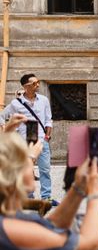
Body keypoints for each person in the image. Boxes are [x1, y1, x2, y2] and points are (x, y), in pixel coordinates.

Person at [1, 73, 55, 203]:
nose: (38, 85)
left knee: (45, 169)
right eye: (34, 83)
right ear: (25, 86)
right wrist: (7, 129)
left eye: (38, 82)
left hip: (42, 139)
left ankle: (46, 197)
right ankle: (28, 198)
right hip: (24, 139)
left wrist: (47, 136)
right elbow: (2, 116)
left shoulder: (43, 100)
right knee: (26, 169)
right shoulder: (16, 103)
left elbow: (49, 119)